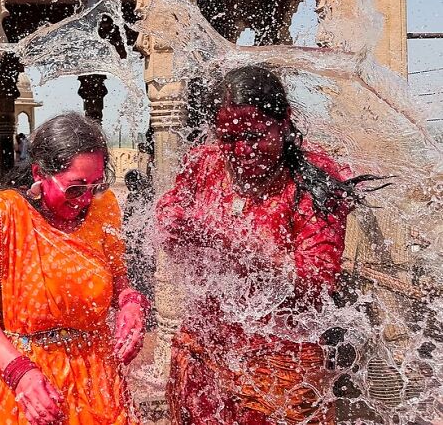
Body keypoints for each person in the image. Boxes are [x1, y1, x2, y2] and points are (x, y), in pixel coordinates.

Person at [157, 66, 386, 424]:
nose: (243, 151)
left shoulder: (314, 179)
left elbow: (315, 285)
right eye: (229, 138)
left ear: (284, 122)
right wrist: (171, 221)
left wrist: (235, 249)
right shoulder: (205, 162)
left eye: (255, 135)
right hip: (202, 351)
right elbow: (169, 207)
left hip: (278, 369)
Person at [0, 113, 147, 425]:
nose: (85, 198)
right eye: (74, 188)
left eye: (95, 184)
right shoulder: (0, 216)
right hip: (25, 381)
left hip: (94, 378)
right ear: (39, 173)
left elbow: (118, 280)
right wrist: (20, 373)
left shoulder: (103, 208)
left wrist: (130, 303)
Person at [122, 169, 156, 327]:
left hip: (139, 246)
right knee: (142, 280)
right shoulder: (146, 195)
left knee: (141, 280)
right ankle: (146, 315)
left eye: (131, 183)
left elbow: (127, 221)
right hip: (139, 246)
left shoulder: (143, 196)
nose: (130, 186)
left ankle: (145, 316)